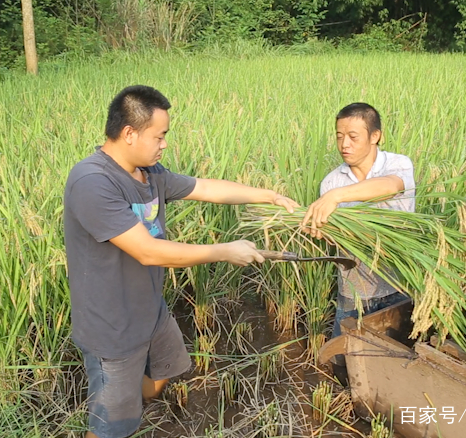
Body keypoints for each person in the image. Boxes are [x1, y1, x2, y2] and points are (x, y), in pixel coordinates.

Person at [63, 85, 299, 438]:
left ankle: (133, 403)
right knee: (110, 427)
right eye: (159, 136)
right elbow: (148, 251)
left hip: (149, 310)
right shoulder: (93, 182)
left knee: (163, 369)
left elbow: (206, 188)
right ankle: (120, 415)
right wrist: (224, 250)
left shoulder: (150, 173)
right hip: (111, 326)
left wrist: (270, 196)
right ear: (129, 133)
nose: (164, 144)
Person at [301, 102, 416, 382]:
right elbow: (333, 235)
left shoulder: (398, 163)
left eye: (353, 136)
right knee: (345, 359)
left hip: (398, 282)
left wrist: (337, 198)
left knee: (400, 356)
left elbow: (391, 186)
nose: (344, 144)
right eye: (339, 136)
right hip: (355, 287)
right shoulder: (331, 182)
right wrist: (323, 231)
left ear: (375, 136)